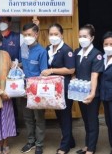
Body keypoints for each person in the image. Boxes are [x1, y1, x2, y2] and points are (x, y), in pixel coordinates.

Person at [40, 23, 75, 154]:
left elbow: (71, 69)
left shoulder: (67, 50)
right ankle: (70, 140)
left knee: (65, 116)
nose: (53, 37)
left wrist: (52, 70)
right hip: (53, 88)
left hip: (64, 88)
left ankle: (64, 146)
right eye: (51, 34)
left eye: (56, 34)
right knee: (59, 115)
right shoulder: (48, 48)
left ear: (62, 35)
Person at [20, 22, 48, 154]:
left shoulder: (42, 51)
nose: (27, 37)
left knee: (39, 118)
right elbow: (22, 64)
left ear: (36, 35)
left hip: (37, 89)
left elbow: (43, 73)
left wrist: (34, 89)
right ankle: (31, 141)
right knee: (28, 117)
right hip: (23, 89)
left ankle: (39, 144)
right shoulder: (23, 47)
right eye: (25, 35)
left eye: (29, 34)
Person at [74, 24, 102, 154]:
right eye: (80, 36)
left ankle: (91, 148)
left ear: (92, 38)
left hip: (91, 94)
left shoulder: (97, 55)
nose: (82, 39)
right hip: (80, 93)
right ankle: (87, 145)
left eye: (85, 36)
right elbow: (74, 71)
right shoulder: (76, 52)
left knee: (92, 120)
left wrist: (92, 93)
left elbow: (94, 75)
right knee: (86, 120)